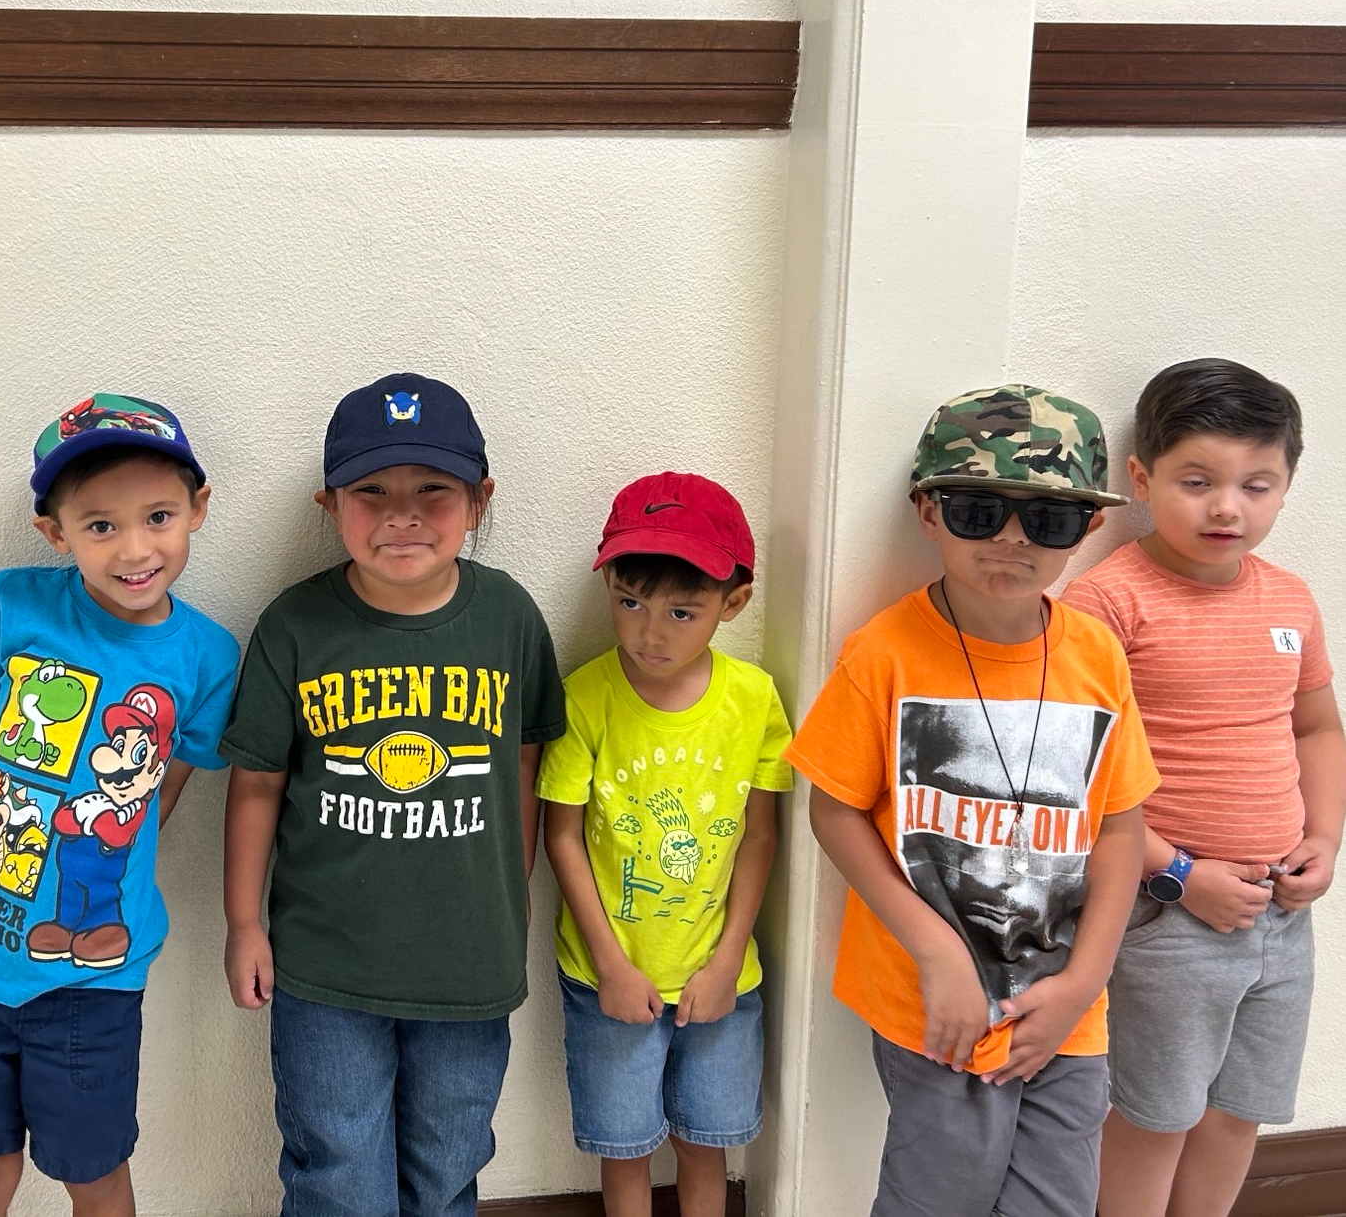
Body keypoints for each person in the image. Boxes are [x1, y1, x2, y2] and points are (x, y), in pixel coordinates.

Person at [787, 385, 1159, 1217]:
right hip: (936, 1004)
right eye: (978, 510)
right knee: (941, 1193)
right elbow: (833, 808)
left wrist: (1084, 981)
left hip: (1066, 1007)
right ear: (929, 511)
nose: (1012, 539)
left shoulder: (1097, 657)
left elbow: (1123, 828)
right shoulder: (884, 653)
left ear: (1089, 527)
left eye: (1050, 519)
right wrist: (935, 950)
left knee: (1057, 1201)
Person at [221, 372, 566, 1217]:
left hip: (468, 962)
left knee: (448, 1162)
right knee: (337, 1167)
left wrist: (511, 894)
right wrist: (242, 924)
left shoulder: (510, 618)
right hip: (323, 965)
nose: (400, 514)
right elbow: (258, 784)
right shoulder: (295, 626)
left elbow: (524, 764)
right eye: (369, 491)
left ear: (479, 501)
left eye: (432, 491)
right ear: (328, 504)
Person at [0, 393, 239, 1217]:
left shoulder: (208, 656)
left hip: (96, 981)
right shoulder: (12, 605)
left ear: (198, 508)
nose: (134, 548)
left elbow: (163, 798)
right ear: (56, 533)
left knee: (94, 1171)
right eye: (99, 525)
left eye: (158, 516)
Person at [1062, 359, 1346, 1217]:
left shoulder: (1290, 601)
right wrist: (1181, 874)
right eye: (1198, 481)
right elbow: (1077, 778)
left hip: (1280, 913)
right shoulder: (1107, 604)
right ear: (1141, 480)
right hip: (1167, 911)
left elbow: (1316, 728)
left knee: (1240, 1110)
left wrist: (1325, 840)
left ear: (1288, 486)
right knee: (1154, 1114)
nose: (1229, 507)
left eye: (1257, 484)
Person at [537, 473, 793, 1217]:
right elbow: (562, 835)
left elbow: (760, 835)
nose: (651, 633)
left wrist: (726, 962)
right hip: (605, 976)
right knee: (624, 1150)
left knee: (706, 1144)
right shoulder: (584, 696)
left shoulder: (753, 700)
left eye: (683, 611)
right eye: (630, 603)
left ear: (733, 603)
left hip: (722, 980)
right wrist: (612, 966)